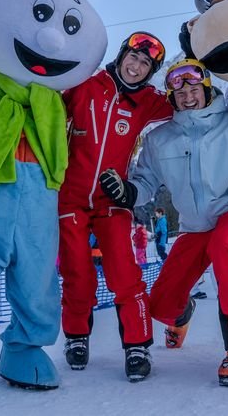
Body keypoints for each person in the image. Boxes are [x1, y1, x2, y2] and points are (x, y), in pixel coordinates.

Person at [99, 59, 228, 387]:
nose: (188, 97)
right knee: (161, 303)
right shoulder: (159, 138)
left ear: (206, 89)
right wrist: (126, 193)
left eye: (194, 89)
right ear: (172, 97)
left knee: (226, 245)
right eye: (181, 92)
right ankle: (182, 311)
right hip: (194, 226)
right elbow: (146, 184)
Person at [58, 31, 173, 382]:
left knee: (124, 273)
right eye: (133, 58)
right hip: (71, 198)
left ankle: (137, 345)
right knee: (77, 272)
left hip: (113, 201)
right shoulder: (86, 84)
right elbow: (49, 106)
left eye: (145, 64)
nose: (136, 67)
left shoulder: (150, 101)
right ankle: (77, 337)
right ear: (122, 55)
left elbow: (188, 99)